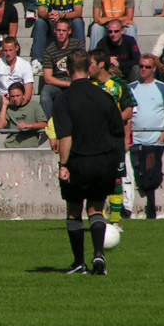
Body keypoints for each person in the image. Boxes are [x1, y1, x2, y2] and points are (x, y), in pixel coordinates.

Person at [53, 49, 125, 276]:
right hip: (105, 161)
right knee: (96, 209)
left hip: (78, 162)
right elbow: (118, 132)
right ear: (89, 69)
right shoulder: (105, 97)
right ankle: (98, 255)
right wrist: (118, 165)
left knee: (74, 211)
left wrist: (63, 165)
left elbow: (65, 136)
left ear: (67, 70)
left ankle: (78, 263)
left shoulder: (63, 99)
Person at [89, 49, 137, 227]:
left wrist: (112, 120)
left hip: (114, 139)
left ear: (101, 64)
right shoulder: (88, 85)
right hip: (94, 141)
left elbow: (129, 109)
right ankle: (99, 221)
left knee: (116, 179)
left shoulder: (119, 84)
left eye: (91, 63)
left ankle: (116, 222)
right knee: (98, 181)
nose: (88, 67)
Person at [129, 54, 164, 219]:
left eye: (147, 67)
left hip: (153, 143)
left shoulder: (162, 88)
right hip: (135, 142)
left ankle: (151, 212)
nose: (143, 69)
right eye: (141, 66)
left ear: (154, 68)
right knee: (137, 175)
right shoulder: (131, 87)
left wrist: (161, 138)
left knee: (150, 177)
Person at [31, 0, 85, 73]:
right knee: (40, 22)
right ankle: (37, 61)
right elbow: (41, 11)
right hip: (53, 23)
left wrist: (62, 15)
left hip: (69, 23)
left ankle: (82, 59)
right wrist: (48, 14)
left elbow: (78, 12)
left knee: (78, 22)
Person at [40, 18, 86, 119]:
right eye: (59, 30)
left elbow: (83, 68)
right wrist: (68, 84)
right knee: (45, 94)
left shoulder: (78, 46)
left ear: (69, 31)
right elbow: (48, 78)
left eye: (64, 31)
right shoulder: (49, 50)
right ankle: (50, 126)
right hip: (58, 82)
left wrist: (74, 83)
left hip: (75, 78)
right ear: (55, 31)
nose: (61, 33)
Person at [0, 36, 33, 113]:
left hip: (18, 100)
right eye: (5, 51)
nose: (8, 53)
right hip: (2, 101)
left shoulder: (25, 65)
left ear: (16, 48)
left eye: (10, 50)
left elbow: (28, 94)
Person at [0, 81, 47, 149]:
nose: (15, 99)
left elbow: (44, 124)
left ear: (23, 95)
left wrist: (28, 126)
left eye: (17, 96)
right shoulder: (9, 108)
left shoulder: (34, 105)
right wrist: (4, 105)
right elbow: (0, 125)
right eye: (12, 96)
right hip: (11, 146)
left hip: (30, 146)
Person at [93, 18, 141, 82]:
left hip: (127, 74)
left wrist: (119, 64)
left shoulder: (130, 41)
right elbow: (95, 59)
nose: (113, 34)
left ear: (122, 31)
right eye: (110, 31)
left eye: (116, 31)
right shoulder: (103, 42)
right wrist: (107, 59)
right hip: (109, 77)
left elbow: (137, 59)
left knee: (136, 68)